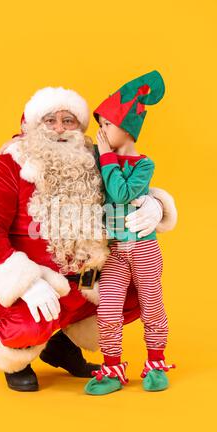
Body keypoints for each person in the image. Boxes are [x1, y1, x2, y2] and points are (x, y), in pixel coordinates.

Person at [0, 86, 178, 392]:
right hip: (32, 285)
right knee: (30, 322)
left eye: (69, 121)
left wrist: (155, 204)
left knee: (134, 291)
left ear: (80, 128)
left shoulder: (92, 161)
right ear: (31, 126)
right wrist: (26, 282)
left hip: (85, 280)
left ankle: (61, 345)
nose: (60, 129)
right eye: (50, 120)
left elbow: (128, 187)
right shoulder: (8, 167)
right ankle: (17, 359)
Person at [84, 71, 176, 396]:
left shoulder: (144, 165)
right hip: (113, 250)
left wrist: (107, 156)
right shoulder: (100, 162)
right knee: (108, 308)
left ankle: (155, 361)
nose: (101, 132)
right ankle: (111, 367)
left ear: (126, 129)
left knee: (152, 303)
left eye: (106, 125)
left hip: (144, 249)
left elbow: (121, 193)